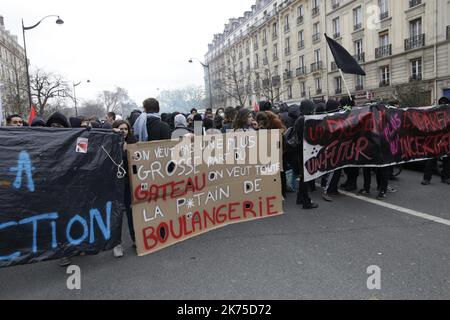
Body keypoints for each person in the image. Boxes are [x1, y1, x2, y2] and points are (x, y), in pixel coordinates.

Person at [112, 120, 138, 257]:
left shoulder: (133, 143)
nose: (124, 131)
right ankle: (117, 244)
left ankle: (135, 239)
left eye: (126, 129)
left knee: (131, 213)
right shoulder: (110, 143)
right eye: (120, 129)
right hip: (115, 185)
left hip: (129, 184)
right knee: (116, 215)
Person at [293, 100, 318, 209]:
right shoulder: (305, 119)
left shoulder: (300, 118)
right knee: (306, 177)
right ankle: (306, 202)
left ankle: (300, 198)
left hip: (300, 151)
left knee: (304, 176)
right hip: (304, 151)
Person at [257, 111, 288, 198]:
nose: (260, 123)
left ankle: (283, 192)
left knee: (281, 172)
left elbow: (281, 135)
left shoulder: (275, 123)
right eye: (258, 121)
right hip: (270, 152)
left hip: (279, 150)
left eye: (261, 121)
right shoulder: (263, 126)